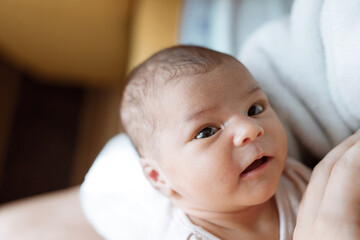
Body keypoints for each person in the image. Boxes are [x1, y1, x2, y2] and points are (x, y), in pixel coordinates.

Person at [120, 45, 312, 239]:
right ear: (158, 177)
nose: (250, 129)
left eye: (254, 109)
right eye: (207, 132)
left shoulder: (295, 181)